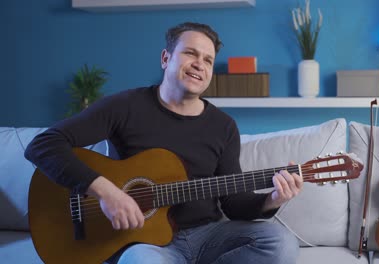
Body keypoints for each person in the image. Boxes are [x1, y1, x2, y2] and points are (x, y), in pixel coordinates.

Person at [25, 22, 302, 264]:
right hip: (141, 242)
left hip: (206, 236)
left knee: (281, 243)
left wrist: (271, 199)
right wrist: (106, 193)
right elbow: (43, 145)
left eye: (208, 59)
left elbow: (233, 203)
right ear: (165, 58)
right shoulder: (124, 106)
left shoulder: (224, 126)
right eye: (190, 53)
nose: (199, 64)